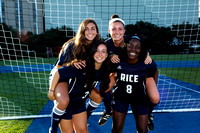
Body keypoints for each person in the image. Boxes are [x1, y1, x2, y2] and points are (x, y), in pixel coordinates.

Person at [98, 14, 160, 130]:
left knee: (155, 97)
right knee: (103, 87)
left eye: (120, 29)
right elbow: (99, 57)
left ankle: (149, 113)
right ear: (109, 31)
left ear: (124, 31)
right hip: (117, 71)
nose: (117, 31)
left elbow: (140, 47)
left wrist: (146, 54)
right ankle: (108, 110)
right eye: (114, 29)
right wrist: (109, 57)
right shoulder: (106, 44)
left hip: (137, 73)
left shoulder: (130, 40)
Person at [48, 18, 102, 133]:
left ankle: (82, 117)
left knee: (97, 97)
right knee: (63, 101)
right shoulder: (72, 45)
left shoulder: (97, 46)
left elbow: (113, 47)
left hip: (78, 79)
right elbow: (58, 68)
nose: (90, 31)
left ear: (97, 31)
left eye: (93, 29)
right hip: (61, 77)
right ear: (81, 31)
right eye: (86, 29)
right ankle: (53, 129)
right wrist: (72, 63)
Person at [111, 36, 158, 133]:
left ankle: (149, 115)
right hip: (121, 97)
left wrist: (153, 86)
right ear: (126, 46)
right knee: (116, 129)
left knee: (142, 130)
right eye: (130, 46)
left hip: (139, 98)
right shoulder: (118, 61)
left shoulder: (146, 63)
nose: (133, 49)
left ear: (141, 50)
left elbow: (154, 70)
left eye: (137, 47)